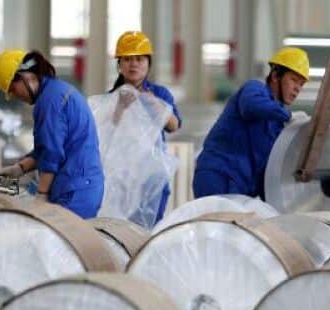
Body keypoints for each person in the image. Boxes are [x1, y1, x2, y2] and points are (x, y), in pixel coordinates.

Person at [0, 49, 105, 219]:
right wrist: (19, 168)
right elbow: (45, 150)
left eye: (13, 89)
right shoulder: (57, 91)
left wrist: (42, 195)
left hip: (74, 191)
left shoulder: (49, 101)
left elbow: (52, 153)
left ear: (24, 77)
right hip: (82, 186)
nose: (15, 96)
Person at [192, 47, 309, 199]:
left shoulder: (277, 128)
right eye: (294, 80)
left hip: (241, 190)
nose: (297, 88)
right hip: (217, 177)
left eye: (301, 84)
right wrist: (288, 115)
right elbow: (250, 105)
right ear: (275, 76)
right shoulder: (254, 89)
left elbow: (265, 174)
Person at [110, 30, 180, 222]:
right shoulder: (111, 98)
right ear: (119, 65)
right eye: (127, 59)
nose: (133, 64)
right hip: (122, 174)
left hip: (152, 175)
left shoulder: (160, 94)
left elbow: (174, 126)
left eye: (139, 59)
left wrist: (154, 103)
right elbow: (107, 132)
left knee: (149, 225)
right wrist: (120, 107)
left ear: (148, 63)